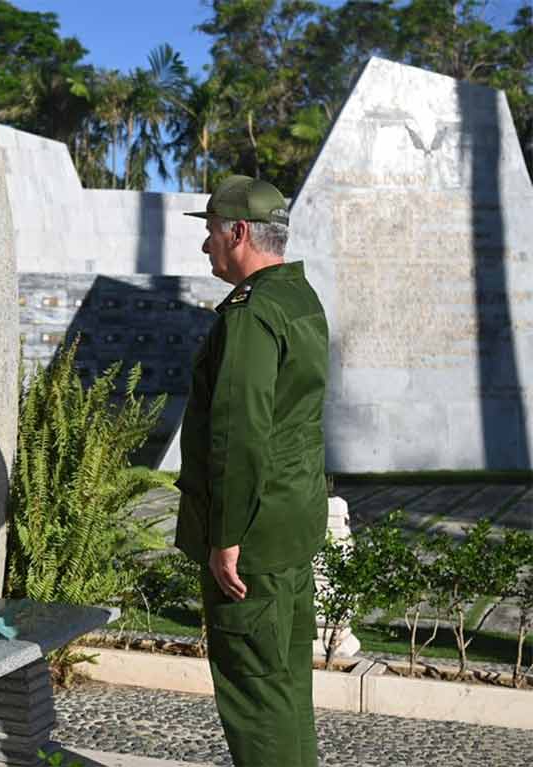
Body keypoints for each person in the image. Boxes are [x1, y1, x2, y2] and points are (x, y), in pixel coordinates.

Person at [175, 175, 329, 767]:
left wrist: (226, 538)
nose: (206, 244)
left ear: (239, 232)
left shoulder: (252, 313)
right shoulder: (299, 300)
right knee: (284, 692)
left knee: (256, 702)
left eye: (212, 231)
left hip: (252, 543)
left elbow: (239, 434)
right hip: (289, 530)